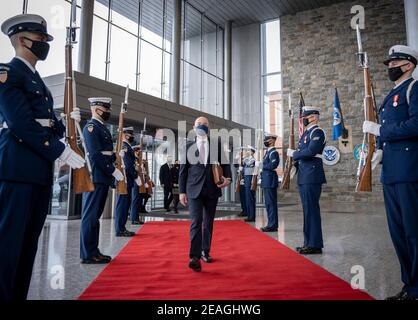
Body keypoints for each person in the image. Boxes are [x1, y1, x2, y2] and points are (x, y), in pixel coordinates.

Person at [0, 14, 85, 300]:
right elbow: (20, 124)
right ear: (22, 41)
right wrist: (59, 149)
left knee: (27, 247)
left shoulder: (37, 80)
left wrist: (65, 123)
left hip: (37, 171)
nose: (44, 45)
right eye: (40, 40)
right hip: (16, 171)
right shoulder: (8, 73)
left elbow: (45, 123)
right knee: (8, 247)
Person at [363, 45, 418, 300]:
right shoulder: (392, 94)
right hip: (392, 171)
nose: (390, 68)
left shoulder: (413, 89)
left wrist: (381, 132)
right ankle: (409, 285)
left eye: (394, 63)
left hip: (409, 170)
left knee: (413, 231)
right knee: (398, 232)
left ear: (408, 65)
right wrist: (381, 150)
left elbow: (415, 124)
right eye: (389, 64)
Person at [179, 117, 232, 272]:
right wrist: (182, 191)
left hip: (212, 189)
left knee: (208, 223)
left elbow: (225, 164)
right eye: (199, 124)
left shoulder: (217, 144)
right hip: (193, 190)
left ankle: (205, 251)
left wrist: (228, 179)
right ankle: (194, 257)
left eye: (205, 125)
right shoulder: (188, 146)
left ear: (209, 127)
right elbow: (183, 171)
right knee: (196, 222)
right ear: (194, 127)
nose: (202, 126)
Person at [80, 97, 124, 264]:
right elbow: (95, 154)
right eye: (105, 108)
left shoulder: (101, 127)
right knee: (90, 215)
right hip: (96, 175)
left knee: (95, 216)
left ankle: (93, 250)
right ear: (96, 108)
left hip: (102, 176)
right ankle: (87, 253)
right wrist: (112, 170)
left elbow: (104, 153)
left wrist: (115, 156)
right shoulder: (91, 127)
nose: (107, 112)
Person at [287, 106, 326, 255]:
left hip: (312, 175)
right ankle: (308, 242)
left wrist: (294, 154)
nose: (303, 119)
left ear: (314, 117)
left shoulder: (317, 132)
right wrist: (294, 167)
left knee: (311, 210)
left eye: (307, 116)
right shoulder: (306, 134)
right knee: (307, 210)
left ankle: (315, 244)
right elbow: (303, 153)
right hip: (304, 175)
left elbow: (311, 151)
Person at [114, 127, 140, 237]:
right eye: (129, 134)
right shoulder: (124, 145)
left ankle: (122, 227)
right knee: (122, 205)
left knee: (125, 204)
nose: (131, 136)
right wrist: (135, 175)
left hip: (127, 179)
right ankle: (120, 229)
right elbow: (128, 164)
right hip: (125, 179)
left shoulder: (128, 146)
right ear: (125, 135)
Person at [259, 134, 280, 232]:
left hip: (270, 180)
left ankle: (273, 225)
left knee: (271, 203)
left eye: (267, 139)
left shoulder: (273, 152)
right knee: (268, 203)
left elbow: (273, 165)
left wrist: (262, 165)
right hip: (266, 180)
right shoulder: (267, 152)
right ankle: (270, 223)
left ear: (272, 140)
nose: (265, 141)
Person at [242, 146, 256, 222]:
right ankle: (249, 215)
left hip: (250, 180)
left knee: (250, 199)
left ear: (252, 152)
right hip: (247, 180)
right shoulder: (248, 159)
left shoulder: (252, 160)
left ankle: (252, 216)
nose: (247, 152)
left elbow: (247, 163)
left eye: (248, 151)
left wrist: (244, 157)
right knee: (248, 199)